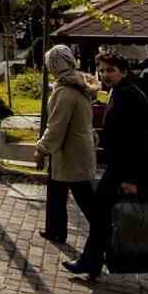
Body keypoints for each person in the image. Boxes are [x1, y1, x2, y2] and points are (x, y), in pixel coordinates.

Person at [64, 52, 148, 294]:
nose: (104, 75)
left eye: (110, 70)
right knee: (108, 215)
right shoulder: (122, 91)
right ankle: (92, 261)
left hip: (135, 168)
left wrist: (131, 179)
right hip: (126, 166)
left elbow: (134, 138)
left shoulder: (129, 95)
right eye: (101, 70)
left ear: (123, 71)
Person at [36, 44, 99, 245]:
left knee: (87, 200)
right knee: (56, 191)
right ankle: (55, 230)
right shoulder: (79, 85)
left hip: (71, 153)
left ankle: (106, 234)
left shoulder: (65, 92)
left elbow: (56, 126)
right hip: (73, 149)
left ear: (53, 66)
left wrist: (41, 149)